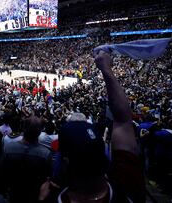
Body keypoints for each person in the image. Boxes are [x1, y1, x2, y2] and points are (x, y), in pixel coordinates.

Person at [56, 51, 145, 203]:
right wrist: (106, 70)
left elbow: (123, 120)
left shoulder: (48, 196)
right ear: (104, 156)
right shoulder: (127, 183)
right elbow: (123, 120)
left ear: (65, 163)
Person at [0, 116, 52, 203]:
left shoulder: (8, 148)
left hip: (14, 193)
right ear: (40, 132)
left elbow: (2, 171)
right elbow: (47, 180)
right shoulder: (45, 154)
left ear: (23, 128)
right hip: (34, 195)